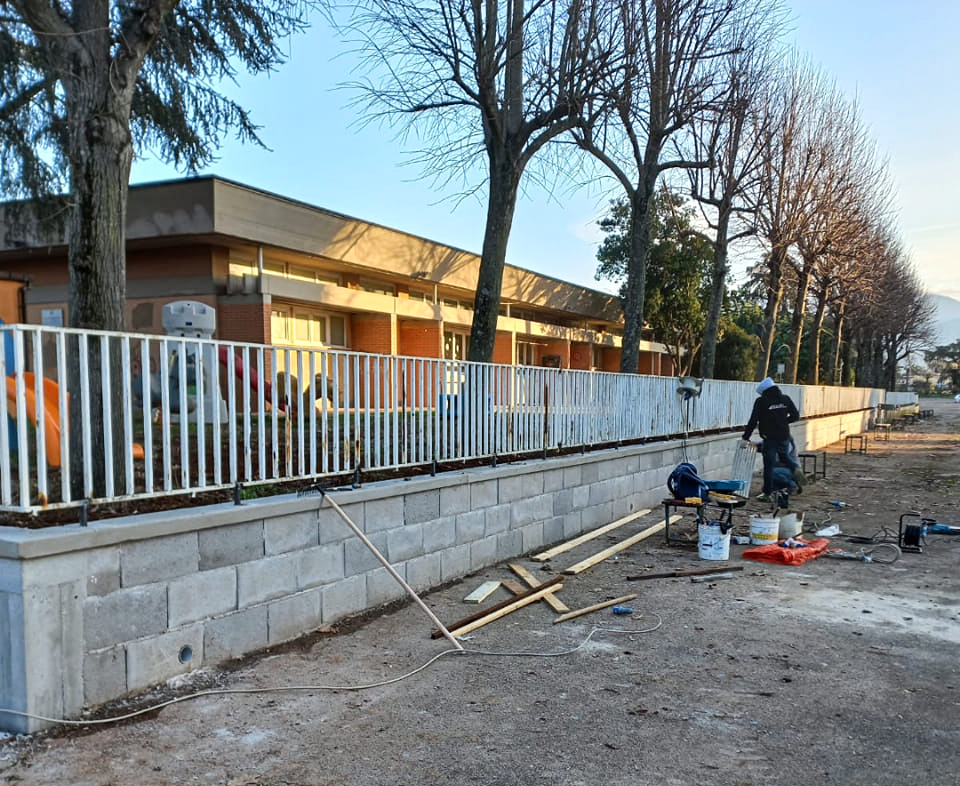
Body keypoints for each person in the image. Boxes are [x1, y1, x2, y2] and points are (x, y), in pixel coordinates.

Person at [742, 377, 804, 503]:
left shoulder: (761, 401)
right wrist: (783, 422)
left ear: (764, 391)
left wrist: (745, 437)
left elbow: (753, 421)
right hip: (784, 435)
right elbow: (795, 416)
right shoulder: (785, 399)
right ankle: (795, 469)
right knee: (784, 457)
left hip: (770, 438)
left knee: (768, 466)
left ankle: (767, 493)